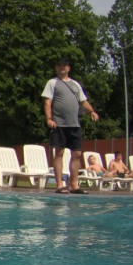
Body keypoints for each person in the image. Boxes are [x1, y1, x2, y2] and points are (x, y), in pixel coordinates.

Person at [42, 57, 99, 194]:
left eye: (64, 65)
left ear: (69, 68)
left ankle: (73, 185)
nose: (62, 67)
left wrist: (92, 111)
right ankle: (60, 185)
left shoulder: (75, 84)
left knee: (77, 154)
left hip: (74, 124)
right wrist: (49, 119)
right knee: (59, 153)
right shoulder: (52, 83)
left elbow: (83, 101)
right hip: (59, 124)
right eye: (59, 65)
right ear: (56, 68)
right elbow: (47, 102)